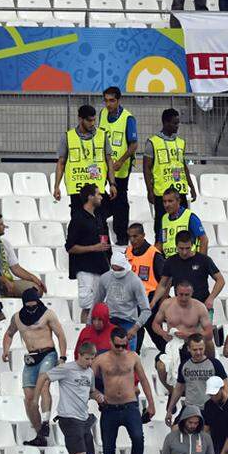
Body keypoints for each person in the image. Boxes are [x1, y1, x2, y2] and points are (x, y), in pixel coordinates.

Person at [2, 289, 68, 447]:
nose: (32, 309)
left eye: (34, 305)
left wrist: (63, 356)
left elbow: (60, 334)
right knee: (29, 398)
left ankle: (45, 421)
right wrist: (5, 349)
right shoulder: (18, 317)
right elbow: (9, 333)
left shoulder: (48, 314)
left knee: (44, 386)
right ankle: (40, 433)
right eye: (29, 306)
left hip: (47, 354)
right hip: (31, 358)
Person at [95, 327, 156, 454]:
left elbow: (143, 379)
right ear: (111, 342)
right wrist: (97, 396)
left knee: (138, 439)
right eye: (118, 345)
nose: (121, 349)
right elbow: (88, 382)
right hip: (109, 408)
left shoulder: (133, 357)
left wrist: (151, 403)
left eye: (124, 345)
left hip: (130, 405)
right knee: (108, 448)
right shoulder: (101, 360)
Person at [147, 122, 199, 249]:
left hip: (179, 192)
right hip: (161, 194)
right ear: (166, 122)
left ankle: (185, 251)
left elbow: (183, 166)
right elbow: (146, 168)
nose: (177, 125)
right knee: (161, 227)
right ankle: (161, 256)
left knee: (184, 224)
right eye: (174, 122)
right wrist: (149, 190)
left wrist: (191, 186)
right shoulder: (152, 142)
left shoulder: (181, 142)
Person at [65, 183, 111, 322]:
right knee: (87, 305)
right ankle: (85, 337)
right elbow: (70, 247)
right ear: (90, 197)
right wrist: (93, 247)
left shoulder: (98, 217)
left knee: (98, 306)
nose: (101, 197)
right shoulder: (78, 218)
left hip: (100, 266)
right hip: (84, 267)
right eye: (98, 194)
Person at [97, 88, 137, 245]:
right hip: (104, 165)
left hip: (120, 167)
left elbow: (134, 145)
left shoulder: (128, 118)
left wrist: (120, 161)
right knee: (99, 194)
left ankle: (121, 236)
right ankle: (101, 223)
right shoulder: (102, 114)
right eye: (106, 100)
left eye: (112, 100)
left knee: (120, 199)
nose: (108, 104)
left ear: (119, 100)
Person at [55, 105, 112, 212]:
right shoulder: (68, 137)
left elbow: (109, 161)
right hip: (77, 190)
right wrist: (56, 186)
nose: (92, 123)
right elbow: (61, 163)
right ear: (80, 119)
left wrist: (112, 184)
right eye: (89, 120)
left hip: (97, 189)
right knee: (78, 223)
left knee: (99, 223)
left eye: (94, 120)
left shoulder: (102, 135)